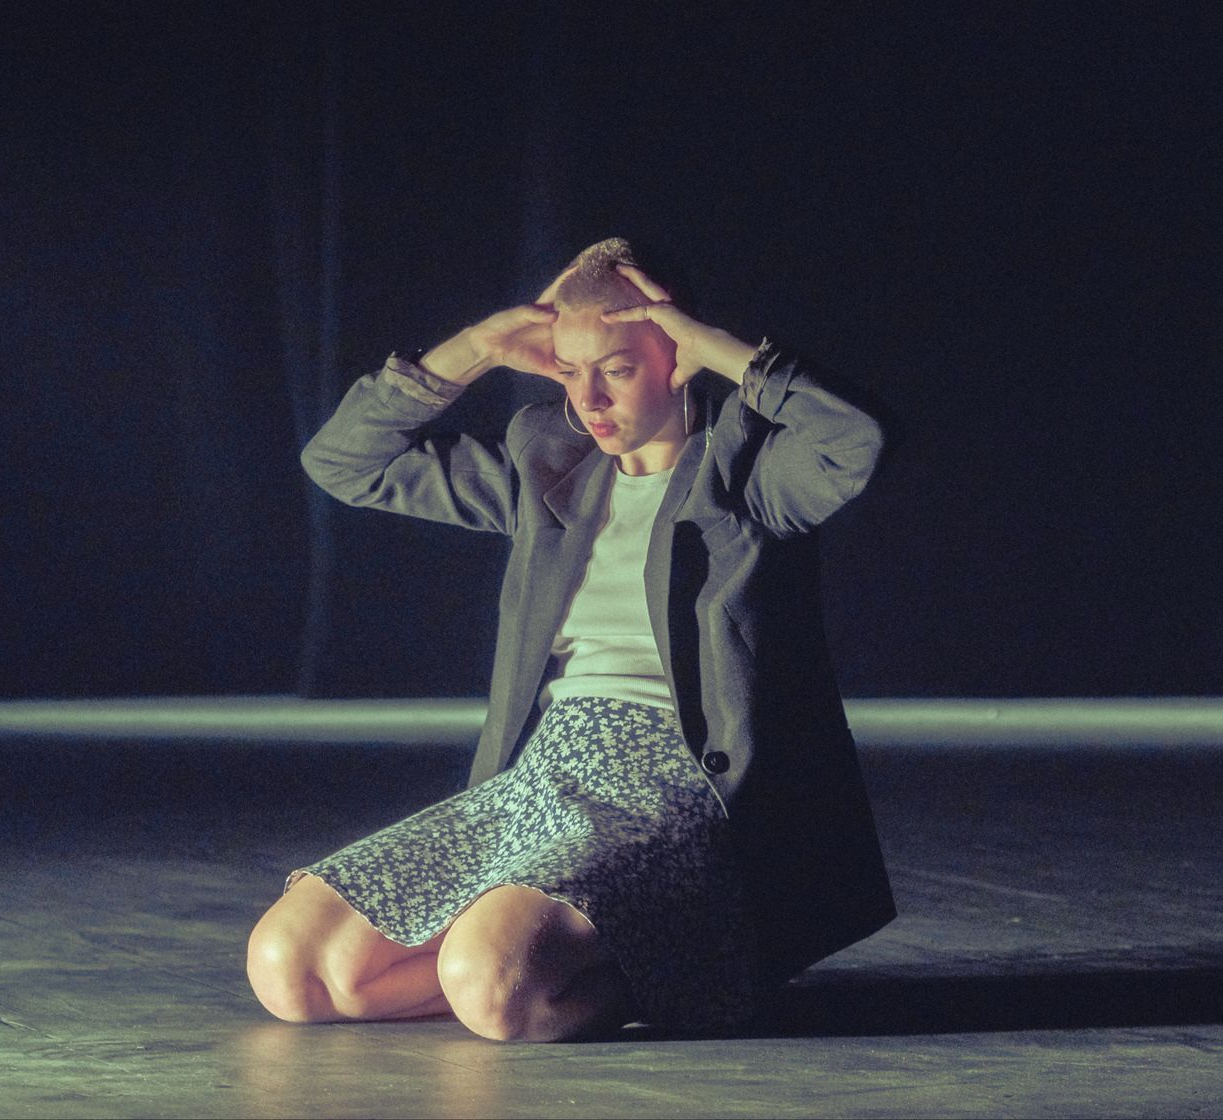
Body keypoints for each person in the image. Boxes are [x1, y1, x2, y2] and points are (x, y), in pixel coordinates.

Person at [245, 238, 896, 1041]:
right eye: (567, 367)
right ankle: (553, 945)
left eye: (617, 369)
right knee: (295, 969)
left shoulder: (750, 480)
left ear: (677, 359)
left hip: (680, 788)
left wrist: (725, 352)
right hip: (542, 777)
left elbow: (860, 438)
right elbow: (344, 461)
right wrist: (480, 347)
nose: (587, 397)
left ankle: (707, 963)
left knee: (492, 985)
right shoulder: (549, 473)